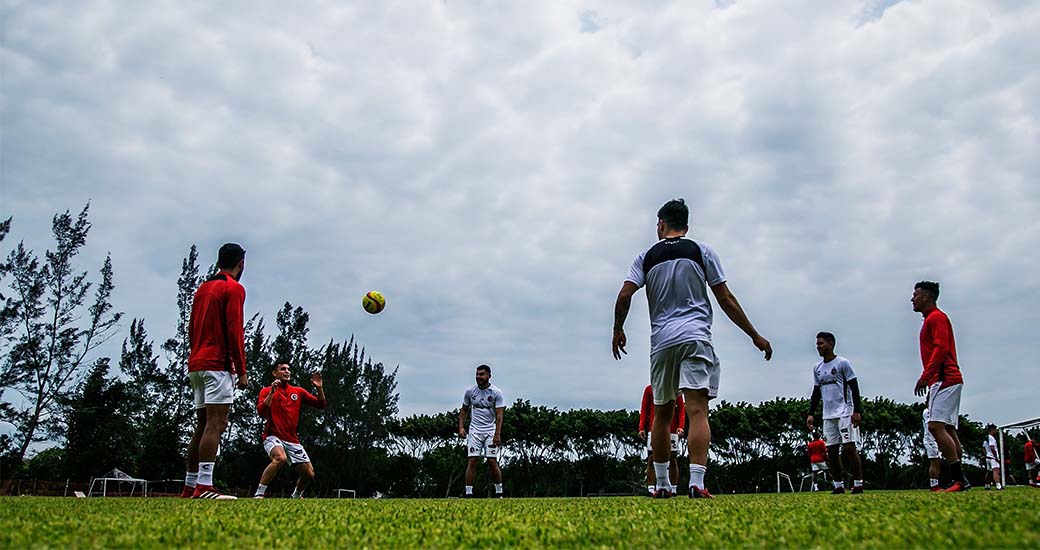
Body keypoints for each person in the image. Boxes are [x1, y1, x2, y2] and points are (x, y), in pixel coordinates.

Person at [613, 199, 771, 499]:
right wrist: (754, 335)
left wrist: (617, 329)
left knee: (662, 415)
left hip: (661, 343)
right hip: (696, 336)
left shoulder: (645, 257)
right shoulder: (702, 251)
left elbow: (624, 296)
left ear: (661, 224)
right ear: (686, 225)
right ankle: (696, 482)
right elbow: (725, 298)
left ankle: (661, 485)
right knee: (698, 411)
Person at [181, 243, 248, 500]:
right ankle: (205, 486)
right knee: (217, 424)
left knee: (201, 426)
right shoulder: (234, 288)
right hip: (217, 364)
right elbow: (234, 330)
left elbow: (191, 327)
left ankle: (189, 486)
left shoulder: (203, 288)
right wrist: (241, 370)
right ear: (241, 264)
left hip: (196, 363)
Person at [912, 281, 970, 492]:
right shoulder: (931, 319)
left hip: (944, 378)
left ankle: (959, 479)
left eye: (915, 294)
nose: (912, 299)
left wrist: (926, 376)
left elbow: (941, 347)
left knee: (935, 427)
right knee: (948, 429)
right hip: (946, 379)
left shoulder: (936, 317)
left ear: (926, 297)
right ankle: (960, 478)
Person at [254, 362, 327, 499]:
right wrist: (271, 393)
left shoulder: (298, 391)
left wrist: (319, 388)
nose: (287, 371)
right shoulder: (266, 391)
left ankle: (296, 496)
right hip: (272, 436)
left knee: (309, 474)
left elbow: (321, 405)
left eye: (288, 369)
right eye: (283, 369)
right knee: (280, 458)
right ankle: (259, 494)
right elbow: (261, 412)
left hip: (292, 439)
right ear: (275, 373)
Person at [806, 332, 865, 494]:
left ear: (831, 344)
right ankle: (838, 485)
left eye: (821, 343)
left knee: (849, 448)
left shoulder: (842, 363)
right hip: (828, 415)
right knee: (831, 451)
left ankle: (858, 483)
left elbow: (854, 387)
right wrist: (811, 413)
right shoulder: (817, 368)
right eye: (817, 344)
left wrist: (857, 411)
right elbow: (816, 392)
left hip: (845, 412)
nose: (818, 346)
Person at [458, 364, 505, 498]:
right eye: (477, 374)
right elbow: (464, 411)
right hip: (474, 431)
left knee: (491, 461)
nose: (479, 377)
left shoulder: (496, 393)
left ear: (489, 376)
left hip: (490, 431)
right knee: (472, 460)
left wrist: (497, 434)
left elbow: (500, 415)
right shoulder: (470, 392)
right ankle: (468, 493)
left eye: (482, 374)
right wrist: (461, 427)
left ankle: (499, 492)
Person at [638, 384, 686, 495]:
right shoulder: (649, 389)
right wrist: (641, 427)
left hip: (672, 430)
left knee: (673, 458)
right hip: (653, 429)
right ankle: (651, 488)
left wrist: (680, 426)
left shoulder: (675, 388)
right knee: (651, 458)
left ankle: (673, 489)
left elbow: (681, 408)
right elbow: (644, 409)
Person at [922, 407, 943, 492]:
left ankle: (936, 483)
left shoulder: (935, 411)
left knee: (938, 462)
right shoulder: (927, 411)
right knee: (934, 461)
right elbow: (931, 426)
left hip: (936, 439)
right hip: (930, 439)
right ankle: (933, 485)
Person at [983, 424, 1002, 490]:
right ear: (992, 430)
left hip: (988, 457)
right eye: (995, 429)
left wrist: (985, 455)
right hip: (992, 457)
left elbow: (983, 448)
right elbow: (992, 447)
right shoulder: (991, 437)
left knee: (988, 472)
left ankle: (987, 485)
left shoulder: (986, 438)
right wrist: (996, 456)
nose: (996, 431)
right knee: (996, 471)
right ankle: (998, 485)